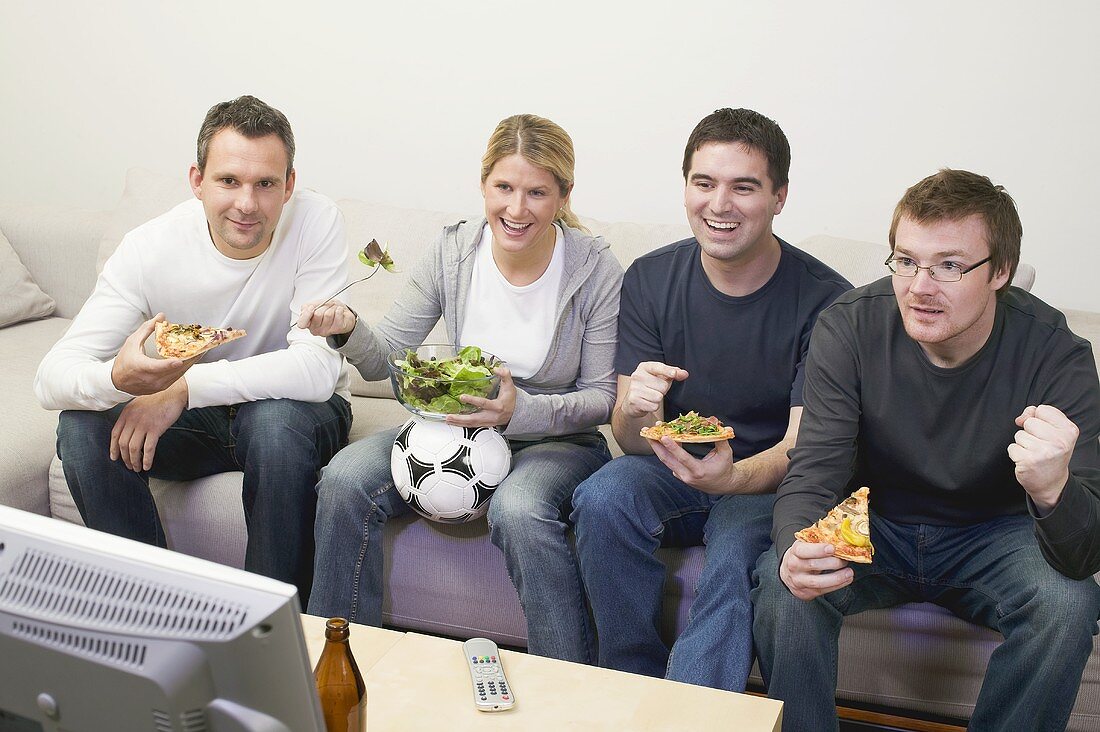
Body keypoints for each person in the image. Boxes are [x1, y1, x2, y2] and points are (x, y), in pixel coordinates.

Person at [752, 169, 1100, 731]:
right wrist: (796, 544)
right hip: (876, 520)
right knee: (783, 580)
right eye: (907, 261)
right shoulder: (849, 327)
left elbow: (1084, 557)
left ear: (1001, 272)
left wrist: (1053, 488)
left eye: (949, 266)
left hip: (995, 531)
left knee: (1068, 605)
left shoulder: (1056, 354)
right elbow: (815, 467)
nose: (920, 287)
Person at [300, 114, 623, 664]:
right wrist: (348, 327)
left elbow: (602, 397)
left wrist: (517, 412)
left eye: (537, 193)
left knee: (519, 509)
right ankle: (336, 668)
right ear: (483, 184)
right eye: (504, 188)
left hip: (554, 442)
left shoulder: (595, 270)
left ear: (564, 195)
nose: (517, 210)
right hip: (447, 431)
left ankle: (568, 686)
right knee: (345, 480)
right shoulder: (452, 251)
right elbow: (386, 362)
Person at [569, 108, 851, 690]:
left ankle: (700, 709)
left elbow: (802, 447)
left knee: (733, 554)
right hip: (674, 469)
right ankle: (627, 684)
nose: (719, 204)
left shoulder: (828, 302)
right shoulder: (648, 278)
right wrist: (637, 411)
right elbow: (627, 439)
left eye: (743, 187)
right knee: (603, 497)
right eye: (704, 183)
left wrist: (729, 479)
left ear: (780, 197)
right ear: (687, 188)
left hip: (768, 482)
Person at [34, 95, 353, 602]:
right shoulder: (149, 247)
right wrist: (119, 380)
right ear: (197, 180)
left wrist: (183, 388)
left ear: (289, 184)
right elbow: (52, 377)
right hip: (201, 425)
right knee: (80, 427)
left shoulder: (316, 220)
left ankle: (270, 637)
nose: (247, 204)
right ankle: (149, 615)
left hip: (295, 416)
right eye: (229, 181)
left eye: (265, 184)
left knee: (273, 426)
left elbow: (316, 370)